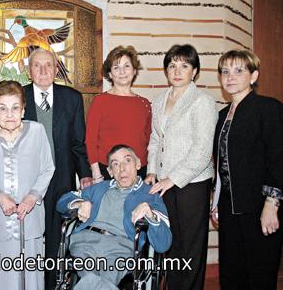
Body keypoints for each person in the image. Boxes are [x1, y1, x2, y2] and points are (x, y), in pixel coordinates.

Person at [145, 44, 217, 290]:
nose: (177, 71)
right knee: (170, 242)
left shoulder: (203, 101)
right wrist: (152, 172)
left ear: (195, 71)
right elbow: (155, 140)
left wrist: (172, 179)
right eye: (172, 65)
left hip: (192, 184)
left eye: (184, 65)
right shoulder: (158, 101)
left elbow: (202, 150)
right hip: (164, 182)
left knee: (190, 246)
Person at [0, 80, 55, 289]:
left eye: (15, 108)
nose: (9, 114)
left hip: (30, 217)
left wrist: (32, 196)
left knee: (30, 275)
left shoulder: (37, 131)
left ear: (24, 110)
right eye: (3, 108)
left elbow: (47, 168)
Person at [211, 49, 283, 289]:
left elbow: (278, 158)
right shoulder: (222, 116)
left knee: (260, 274)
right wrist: (216, 202)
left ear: (253, 76)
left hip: (260, 206)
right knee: (232, 274)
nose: (230, 76)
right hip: (230, 207)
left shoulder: (269, 108)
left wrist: (272, 205)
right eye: (225, 71)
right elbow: (221, 162)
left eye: (238, 70)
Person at [22, 48, 92, 288]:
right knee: (28, 239)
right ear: (28, 70)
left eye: (48, 65)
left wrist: (85, 175)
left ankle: (52, 285)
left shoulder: (72, 98)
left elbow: (78, 142)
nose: (43, 71)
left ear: (56, 68)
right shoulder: (18, 97)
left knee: (56, 240)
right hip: (27, 183)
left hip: (60, 179)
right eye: (37, 66)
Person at [57, 144, 172, 290]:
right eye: (115, 164)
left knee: (92, 279)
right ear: (110, 171)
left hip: (121, 247)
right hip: (86, 242)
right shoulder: (99, 188)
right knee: (96, 279)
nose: (122, 168)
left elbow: (164, 244)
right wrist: (80, 203)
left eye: (127, 161)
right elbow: (62, 202)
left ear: (138, 164)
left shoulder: (150, 195)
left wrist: (150, 214)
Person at [86, 45, 151, 182]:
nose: (122, 71)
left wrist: (150, 172)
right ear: (110, 74)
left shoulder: (144, 104)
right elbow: (90, 141)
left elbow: (149, 141)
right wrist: (96, 173)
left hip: (139, 172)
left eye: (126, 66)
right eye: (116, 67)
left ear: (134, 71)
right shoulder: (100, 101)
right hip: (108, 172)